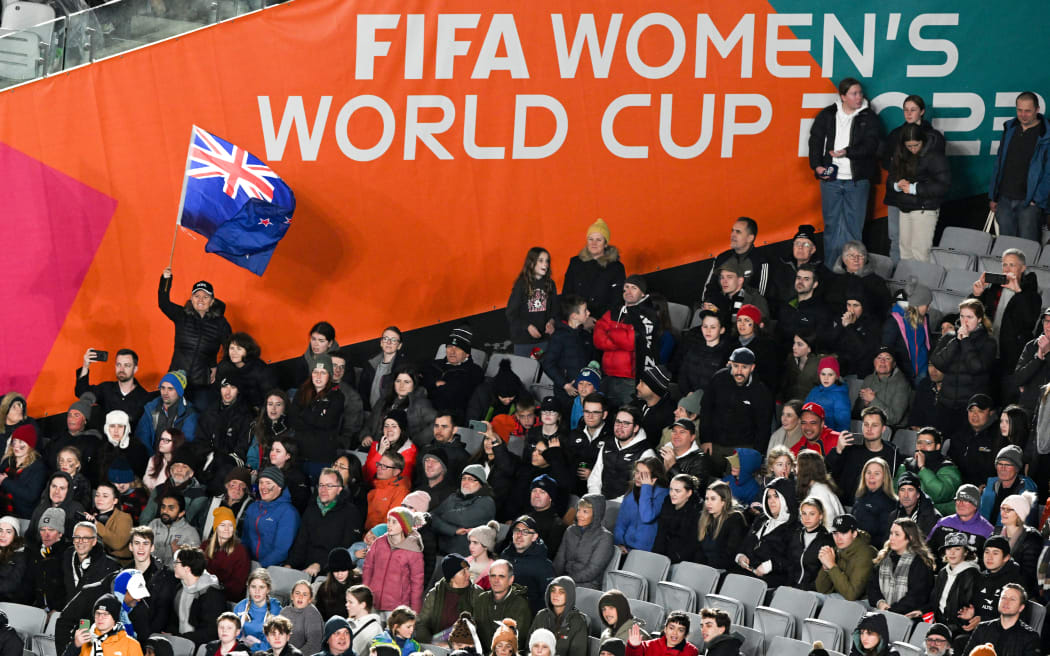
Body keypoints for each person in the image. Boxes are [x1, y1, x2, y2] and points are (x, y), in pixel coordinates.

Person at [808, 78, 882, 269]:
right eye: (854, 94)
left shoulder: (869, 118)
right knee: (831, 226)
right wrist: (817, 166)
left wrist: (848, 152)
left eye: (860, 93)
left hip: (857, 181)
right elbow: (815, 141)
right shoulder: (827, 115)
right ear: (843, 96)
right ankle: (831, 271)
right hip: (831, 180)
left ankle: (852, 272)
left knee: (853, 229)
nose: (859, 97)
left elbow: (871, 145)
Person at [881, 95, 946, 263]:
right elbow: (887, 162)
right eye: (905, 110)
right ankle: (898, 280)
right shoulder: (896, 135)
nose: (909, 114)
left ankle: (918, 285)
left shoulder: (934, 138)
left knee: (919, 249)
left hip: (921, 201)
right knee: (898, 241)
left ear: (922, 112)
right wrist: (898, 182)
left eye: (913, 110)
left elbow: (936, 175)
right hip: (899, 198)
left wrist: (913, 186)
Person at [158, 271, 231, 405]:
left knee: (199, 420)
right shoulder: (182, 315)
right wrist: (165, 280)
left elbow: (230, 349)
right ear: (191, 299)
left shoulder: (221, 323)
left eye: (205, 297)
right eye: (197, 296)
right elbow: (163, 303)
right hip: (176, 380)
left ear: (212, 301)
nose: (201, 300)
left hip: (202, 385)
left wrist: (216, 367)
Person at [971, 248, 1042, 379]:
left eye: (1012, 265)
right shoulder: (995, 288)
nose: (1007, 269)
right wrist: (977, 295)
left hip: (1012, 357)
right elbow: (973, 313)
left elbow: (1029, 321)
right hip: (988, 351)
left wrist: (1018, 292)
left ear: (1022, 268)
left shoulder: (1032, 295)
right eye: (1004, 264)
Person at [988, 91, 1050, 242]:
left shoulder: (1046, 134)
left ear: (1037, 109)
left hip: (1029, 203)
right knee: (1006, 247)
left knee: (1028, 249)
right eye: (1019, 110)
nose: (1023, 114)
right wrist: (994, 195)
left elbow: (1048, 172)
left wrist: (1037, 200)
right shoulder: (1010, 128)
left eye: (1028, 111)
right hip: (1004, 200)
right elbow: (1000, 162)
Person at [930, 299, 998, 434]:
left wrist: (966, 341)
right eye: (962, 316)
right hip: (945, 404)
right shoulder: (950, 337)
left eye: (969, 317)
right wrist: (956, 341)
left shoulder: (989, 342)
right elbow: (938, 362)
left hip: (969, 407)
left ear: (979, 319)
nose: (965, 321)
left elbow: (977, 368)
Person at [593, 275, 661, 407]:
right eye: (626, 287)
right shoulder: (614, 310)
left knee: (627, 417)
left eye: (634, 288)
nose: (628, 292)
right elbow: (597, 338)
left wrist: (610, 331)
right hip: (608, 374)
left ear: (642, 293)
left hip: (630, 380)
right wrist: (619, 337)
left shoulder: (648, 314)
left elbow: (631, 341)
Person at [700, 347, 775, 459]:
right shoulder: (718, 379)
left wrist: (755, 454)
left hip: (743, 448)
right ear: (730, 364)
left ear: (752, 367)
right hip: (714, 444)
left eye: (744, 367)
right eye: (736, 366)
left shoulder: (760, 391)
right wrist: (705, 439)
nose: (739, 372)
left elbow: (763, 427)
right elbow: (706, 410)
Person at [288, 467, 362, 575]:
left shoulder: (351, 512)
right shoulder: (311, 509)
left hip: (332, 572)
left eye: (329, 486)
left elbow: (345, 549)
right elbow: (300, 543)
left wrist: (320, 565)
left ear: (339, 489)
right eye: (321, 485)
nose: (323, 490)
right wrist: (290, 564)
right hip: (305, 569)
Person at [829, 407, 900, 505]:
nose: (869, 429)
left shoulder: (891, 452)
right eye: (866, 424)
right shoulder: (850, 446)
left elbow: (890, 486)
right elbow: (829, 471)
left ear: (883, 429)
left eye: (874, 425)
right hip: (843, 502)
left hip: (872, 507)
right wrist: (838, 449)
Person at [734, 477, 797, 586]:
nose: (771, 501)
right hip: (747, 574)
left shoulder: (794, 528)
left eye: (776, 496)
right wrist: (741, 556)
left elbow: (793, 561)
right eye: (768, 497)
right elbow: (745, 543)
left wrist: (770, 565)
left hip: (771, 582)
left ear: (786, 498)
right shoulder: (761, 519)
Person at [562, 219, 627, 323]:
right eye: (590, 239)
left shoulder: (616, 268)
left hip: (604, 323)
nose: (594, 243)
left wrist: (596, 322)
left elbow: (617, 301)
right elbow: (567, 294)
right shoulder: (575, 263)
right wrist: (582, 319)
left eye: (599, 240)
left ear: (606, 244)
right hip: (576, 322)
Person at [868, 518, 935, 617]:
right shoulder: (883, 558)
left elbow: (916, 597)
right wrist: (880, 603)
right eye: (891, 533)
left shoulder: (920, 562)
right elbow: (872, 587)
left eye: (897, 534)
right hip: (882, 612)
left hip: (907, 616)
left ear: (910, 538)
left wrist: (891, 611)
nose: (892, 538)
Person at [363, 507, 425, 612]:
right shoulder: (379, 542)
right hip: (373, 603)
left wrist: (414, 611)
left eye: (394, 522)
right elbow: (368, 567)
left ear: (404, 526)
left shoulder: (413, 550)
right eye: (389, 520)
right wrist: (365, 595)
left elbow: (417, 583)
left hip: (396, 608)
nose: (389, 525)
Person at [587, 407, 656, 502]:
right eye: (618, 422)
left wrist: (614, 504)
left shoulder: (646, 452)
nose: (620, 427)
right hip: (601, 501)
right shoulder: (607, 444)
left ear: (636, 427)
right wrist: (596, 498)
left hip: (627, 505)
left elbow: (641, 488)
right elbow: (595, 476)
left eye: (626, 423)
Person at [363, 368, 437, 451]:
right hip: (376, 446)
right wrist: (366, 435)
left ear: (414, 384)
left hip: (401, 452)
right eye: (398, 381)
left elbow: (437, 423)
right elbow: (369, 422)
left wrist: (416, 442)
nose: (401, 385)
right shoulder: (383, 401)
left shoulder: (420, 403)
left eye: (406, 382)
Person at [76, 348, 152, 428]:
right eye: (119, 365)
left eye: (127, 365)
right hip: (104, 439)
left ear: (135, 369)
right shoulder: (106, 389)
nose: (121, 369)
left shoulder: (143, 397)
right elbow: (82, 393)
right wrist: (85, 366)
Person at [701, 217, 773, 303]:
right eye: (732, 231)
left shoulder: (761, 261)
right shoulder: (722, 257)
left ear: (750, 238)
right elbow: (709, 289)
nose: (733, 235)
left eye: (738, 232)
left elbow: (760, 298)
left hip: (745, 311)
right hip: (719, 308)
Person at [430, 465, 497, 556]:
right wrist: (454, 530)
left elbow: (463, 520)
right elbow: (432, 516)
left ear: (481, 484)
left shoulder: (487, 501)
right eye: (464, 478)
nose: (465, 482)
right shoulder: (454, 496)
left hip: (468, 556)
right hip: (442, 550)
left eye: (471, 479)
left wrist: (442, 516)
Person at [424, 325, 485, 423]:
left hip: (449, 418)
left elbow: (454, 395)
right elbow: (417, 382)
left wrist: (430, 388)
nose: (452, 351)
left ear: (467, 353)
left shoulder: (474, 372)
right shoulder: (435, 364)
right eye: (449, 346)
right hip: (424, 411)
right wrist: (435, 385)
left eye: (457, 348)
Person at [416, 554, 482, 643]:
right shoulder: (435, 594)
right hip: (437, 646)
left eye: (468, 570)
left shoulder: (477, 593)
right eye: (463, 572)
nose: (468, 575)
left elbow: (483, 623)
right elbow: (422, 624)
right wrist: (432, 642)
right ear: (451, 578)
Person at [241, 467, 299, 568]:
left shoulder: (288, 512)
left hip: (273, 568)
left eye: (268, 483)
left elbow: (281, 551)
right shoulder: (253, 507)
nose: (263, 487)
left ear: (279, 486)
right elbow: (245, 540)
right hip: (249, 565)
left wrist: (259, 567)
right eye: (261, 482)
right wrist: (243, 562)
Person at [895, 427, 961, 516]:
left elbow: (940, 494)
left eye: (928, 443)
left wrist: (922, 468)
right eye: (919, 443)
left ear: (937, 446)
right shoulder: (907, 464)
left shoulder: (948, 467)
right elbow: (895, 489)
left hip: (937, 515)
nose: (922, 447)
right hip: (909, 512)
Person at [553, 494, 614, 589]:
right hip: (564, 581)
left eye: (585, 512)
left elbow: (592, 571)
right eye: (579, 510)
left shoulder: (605, 537)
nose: (579, 515)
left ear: (596, 515)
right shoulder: (570, 531)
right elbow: (560, 559)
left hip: (587, 585)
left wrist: (565, 580)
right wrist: (554, 578)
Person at [962, 583, 1041, 656]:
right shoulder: (982, 628)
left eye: (1012, 599)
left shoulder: (1030, 637)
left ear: (1021, 607)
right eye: (1003, 598)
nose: (1006, 602)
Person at [170, 547, 227, 646]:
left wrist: (180, 638)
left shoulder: (212, 594)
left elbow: (211, 632)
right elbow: (173, 619)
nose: (173, 565)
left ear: (187, 568)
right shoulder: (180, 587)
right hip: (180, 641)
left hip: (201, 646)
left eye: (177, 563)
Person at [507, 247, 558, 356]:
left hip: (543, 341)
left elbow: (555, 310)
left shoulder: (550, 284)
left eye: (547, 261)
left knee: (541, 369)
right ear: (531, 263)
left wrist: (551, 322)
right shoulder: (521, 284)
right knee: (524, 371)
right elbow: (511, 313)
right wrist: (528, 327)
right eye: (541, 260)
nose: (545, 264)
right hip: (523, 342)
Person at [990, 494, 1043, 599]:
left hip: (1020, 594)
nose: (1003, 513)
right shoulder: (996, 532)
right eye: (1002, 508)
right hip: (994, 589)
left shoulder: (1031, 537)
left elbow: (1028, 576)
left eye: (1008, 510)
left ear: (1019, 514)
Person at [500, 515, 556, 614]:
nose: (519, 535)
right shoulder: (505, 555)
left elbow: (548, 601)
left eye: (525, 532)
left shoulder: (543, 565)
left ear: (534, 536)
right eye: (516, 530)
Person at [471, 560, 533, 649]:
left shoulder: (521, 604)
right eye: (493, 576)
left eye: (501, 576)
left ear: (511, 579)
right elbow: (474, 632)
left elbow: (517, 643)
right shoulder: (481, 599)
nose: (496, 580)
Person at [815, 514, 877, 601]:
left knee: (813, 598)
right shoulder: (838, 549)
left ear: (854, 534)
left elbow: (852, 595)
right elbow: (822, 590)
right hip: (841, 598)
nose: (838, 538)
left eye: (843, 533)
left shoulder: (866, 554)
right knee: (810, 597)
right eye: (835, 533)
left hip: (864, 603)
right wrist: (826, 567)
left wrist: (832, 566)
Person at [930, 532, 981, 636]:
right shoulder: (943, 572)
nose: (952, 553)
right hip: (939, 624)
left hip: (960, 629)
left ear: (965, 552)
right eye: (949, 549)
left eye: (957, 549)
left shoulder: (971, 574)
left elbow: (969, 605)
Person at [614, 457, 669, 554]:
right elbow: (621, 524)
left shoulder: (663, 494)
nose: (638, 477)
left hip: (647, 553)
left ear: (654, 477)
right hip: (626, 550)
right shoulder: (631, 494)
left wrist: (646, 487)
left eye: (644, 474)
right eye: (637, 472)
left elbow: (647, 517)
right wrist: (619, 543)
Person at [134, 371, 199, 452]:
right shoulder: (151, 408)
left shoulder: (189, 414)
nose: (165, 393)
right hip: (151, 459)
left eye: (170, 389)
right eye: (163, 387)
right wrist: (153, 460)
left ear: (179, 392)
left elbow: (186, 444)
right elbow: (142, 438)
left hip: (175, 460)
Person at [883, 279, 933, 384]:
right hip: (903, 376)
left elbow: (927, 343)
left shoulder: (924, 318)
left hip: (923, 371)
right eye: (927, 305)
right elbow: (887, 348)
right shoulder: (894, 321)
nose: (928, 309)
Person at [948, 394, 1003, 487]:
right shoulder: (959, 435)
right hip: (960, 488)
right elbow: (950, 464)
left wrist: (988, 487)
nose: (974, 415)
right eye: (971, 410)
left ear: (991, 413)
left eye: (980, 411)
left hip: (988, 489)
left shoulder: (999, 437)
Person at [927, 484, 995, 555]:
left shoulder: (987, 530)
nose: (960, 504)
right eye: (958, 500)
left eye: (965, 501)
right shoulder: (943, 523)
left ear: (975, 505)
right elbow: (927, 551)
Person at [68, 594, 145, 656]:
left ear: (114, 618)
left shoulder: (131, 645)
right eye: (97, 613)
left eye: (105, 614)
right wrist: (75, 646)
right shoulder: (83, 640)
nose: (100, 618)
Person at [694, 480, 747, 570]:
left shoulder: (735, 519)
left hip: (723, 570)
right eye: (707, 499)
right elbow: (699, 550)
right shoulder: (704, 518)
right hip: (704, 569)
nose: (708, 503)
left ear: (724, 501)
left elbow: (730, 554)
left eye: (713, 499)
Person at [978, 446, 1037, 525]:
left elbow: (1023, 527)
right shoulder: (990, 487)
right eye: (1000, 464)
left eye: (1008, 465)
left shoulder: (1026, 493)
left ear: (1016, 468)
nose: (1003, 468)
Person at [651, 474, 702, 565]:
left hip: (684, 561)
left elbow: (692, 544)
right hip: (664, 555)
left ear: (689, 493)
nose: (672, 494)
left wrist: (673, 561)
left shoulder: (697, 511)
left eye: (677, 491)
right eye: (671, 489)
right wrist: (656, 557)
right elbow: (661, 533)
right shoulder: (667, 502)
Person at [530, 577, 589, 656]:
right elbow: (528, 647)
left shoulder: (578, 621)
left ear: (569, 595)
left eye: (561, 592)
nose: (555, 595)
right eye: (553, 590)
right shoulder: (541, 615)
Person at [64, 521, 120, 600]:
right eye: (77, 537)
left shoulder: (111, 566)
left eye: (86, 538)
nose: (80, 541)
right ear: (73, 540)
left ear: (94, 541)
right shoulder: (66, 559)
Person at [204, 506, 249, 603]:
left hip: (225, 597)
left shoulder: (240, 551)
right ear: (216, 527)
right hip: (203, 592)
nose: (227, 529)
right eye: (222, 525)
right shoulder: (205, 546)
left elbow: (238, 586)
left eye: (230, 525)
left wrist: (216, 589)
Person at [358, 327, 409, 413]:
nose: (388, 342)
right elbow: (362, 392)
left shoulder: (403, 367)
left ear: (399, 346)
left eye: (393, 340)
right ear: (381, 343)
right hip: (370, 415)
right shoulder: (370, 364)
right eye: (385, 338)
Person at [0, 423, 46, 518]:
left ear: (30, 444)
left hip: (22, 516)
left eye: (21, 442)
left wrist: (5, 482)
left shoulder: (38, 467)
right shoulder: (7, 460)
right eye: (15, 441)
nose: (16, 445)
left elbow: (30, 496)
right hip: (3, 513)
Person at [855, 349, 910, 427]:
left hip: (891, 429)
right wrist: (865, 405)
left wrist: (873, 400)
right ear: (874, 362)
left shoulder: (902, 383)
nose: (882, 361)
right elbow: (856, 414)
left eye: (887, 358)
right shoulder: (868, 379)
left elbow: (895, 418)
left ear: (894, 364)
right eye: (879, 358)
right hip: (868, 426)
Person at [790, 497, 835, 591]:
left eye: (812, 514)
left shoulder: (827, 540)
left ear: (820, 516)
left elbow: (824, 574)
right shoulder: (796, 534)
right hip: (791, 586)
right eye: (804, 513)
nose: (807, 518)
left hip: (811, 591)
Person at [147, 492, 201, 568]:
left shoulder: (190, 533)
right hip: (150, 571)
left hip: (174, 576)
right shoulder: (154, 524)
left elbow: (193, 565)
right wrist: (169, 550)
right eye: (163, 507)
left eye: (171, 508)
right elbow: (143, 551)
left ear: (181, 513)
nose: (165, 511)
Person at [852, 458, 897, 548]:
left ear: (885, 478)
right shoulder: (860, 496)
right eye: (868, 472)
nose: (871, 476)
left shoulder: (889, 503)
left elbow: (885, 537)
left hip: (871, 550)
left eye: (877, 473)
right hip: (854, 546)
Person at [233, 569, 281, 651]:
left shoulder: (276, 609)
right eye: (253, 587)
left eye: (261, 587)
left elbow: (273, 644)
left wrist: (251, 649)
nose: (257, 591)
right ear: (248, 587)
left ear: (268, 589)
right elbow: (234, 636)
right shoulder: (240, 607)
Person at [200, 467, 253, 540]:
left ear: (246, 489)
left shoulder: (251, 507)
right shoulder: (213, 501)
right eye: (234, 483)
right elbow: (198, 524)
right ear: (227, 485)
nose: (237, 488)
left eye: (242, 484)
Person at [245, 391, 292, 471]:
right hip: (260, 473)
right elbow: (253, 457)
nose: (273, 408)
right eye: (270, 404)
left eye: (278, 404)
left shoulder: (291, 430)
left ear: (285, 408)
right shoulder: (259, 426)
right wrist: (252, 470)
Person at [888, 472, 942, 539]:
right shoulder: (893, 516)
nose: (906, 495)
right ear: (898, 493)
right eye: (902, 490)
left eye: (910, 490)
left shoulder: (933, 517)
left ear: (918, 494)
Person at [805, 356, 850, 432]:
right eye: (823, 374)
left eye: (830, 374)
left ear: (836, 376)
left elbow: (843, 423)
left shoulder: (840, 396)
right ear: (819, 375)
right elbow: (805, 410)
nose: (826, 378)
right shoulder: (814, 391)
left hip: (828, 436)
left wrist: (838, 440)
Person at [624, 611, 699, 656]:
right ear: (665, 629)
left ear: (685, 634)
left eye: (680, 630)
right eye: (671, 628)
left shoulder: (691, 651)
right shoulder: (649, 645)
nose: (674, 633)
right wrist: (634, 646)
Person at [780, 333, 822, 405]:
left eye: (799, 344)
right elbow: (785, 384)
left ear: (809, 348)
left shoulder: (818, 364)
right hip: (791, 405)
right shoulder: (791, 359)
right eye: (794, 343)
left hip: (811, 407)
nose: (794, 347)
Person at [314, 548, 353, 621]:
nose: (339, 574)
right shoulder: (324, 589)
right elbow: (319, 616)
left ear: (349, 569)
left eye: (343, 570)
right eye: (336, 570)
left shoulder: (359, 584)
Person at [346, 585, 383, 655]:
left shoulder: (374, 629)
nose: (347, 605)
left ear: (362, 605)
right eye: (347, 601)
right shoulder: (347, 622)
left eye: (350, 602)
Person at [0, 515, 29, 603]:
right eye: (0, 530)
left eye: (8, 532)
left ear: (15, 535)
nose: (3, 535)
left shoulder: (21, 555)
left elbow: (12, 584)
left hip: (7, 600)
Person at [466, 522, 498, 589]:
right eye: (470, 542)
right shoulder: (465, 561)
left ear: (486, 546)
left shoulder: (494, 569)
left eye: (475, 543)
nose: (471, 546)